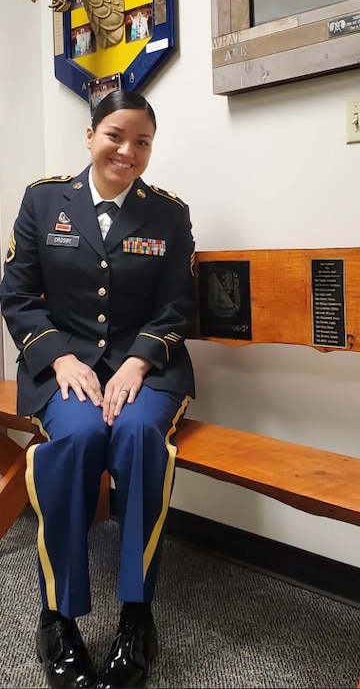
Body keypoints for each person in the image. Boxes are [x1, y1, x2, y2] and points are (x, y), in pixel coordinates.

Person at [0, 90, 196, 689]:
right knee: (77, 439)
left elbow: (177, 304)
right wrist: (57, 359)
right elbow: (18, 294)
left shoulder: (168, 213)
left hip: (149, 369)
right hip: (66, 369)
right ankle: (57, 618)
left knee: (138, 437)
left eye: (142, 142)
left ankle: (137, 619)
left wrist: (138, 362)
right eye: (116, 135)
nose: (127, 150)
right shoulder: (43, 201)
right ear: (90, 136)